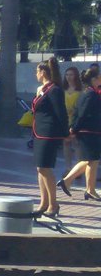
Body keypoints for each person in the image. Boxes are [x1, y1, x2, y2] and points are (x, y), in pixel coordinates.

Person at [31, 57, 68, 217]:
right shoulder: (42, 89)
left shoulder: (54, 90)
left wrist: (65, 133)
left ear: (43, 72)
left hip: (49, 133)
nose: (36, 74)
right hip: (39, 131)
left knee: (45, 168)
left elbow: (61, 113)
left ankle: (54, 203)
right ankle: (43, 202)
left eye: (37, 71)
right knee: (40, 168)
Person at [60, 66, 100, 200]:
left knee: (91, 160)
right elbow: (82, 114)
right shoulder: (90, 94)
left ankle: (88, 188)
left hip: (90, 131)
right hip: (88, 132)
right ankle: (81, 186)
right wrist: (74, 129)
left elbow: (78, 112)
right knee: (91, 160)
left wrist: (73, 127)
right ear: (94, 79)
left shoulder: (87, 93)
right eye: (99, 76)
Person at [62, 66, 84, 167]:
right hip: (65, 119)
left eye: (71, 74)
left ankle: (78, 168)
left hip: (75, 119)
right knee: (66, 143)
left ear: (76, 76)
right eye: (67, 75)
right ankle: (68, 167)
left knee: (76, 144)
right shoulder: (63, 89)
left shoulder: (80, 90)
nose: (68, 77)